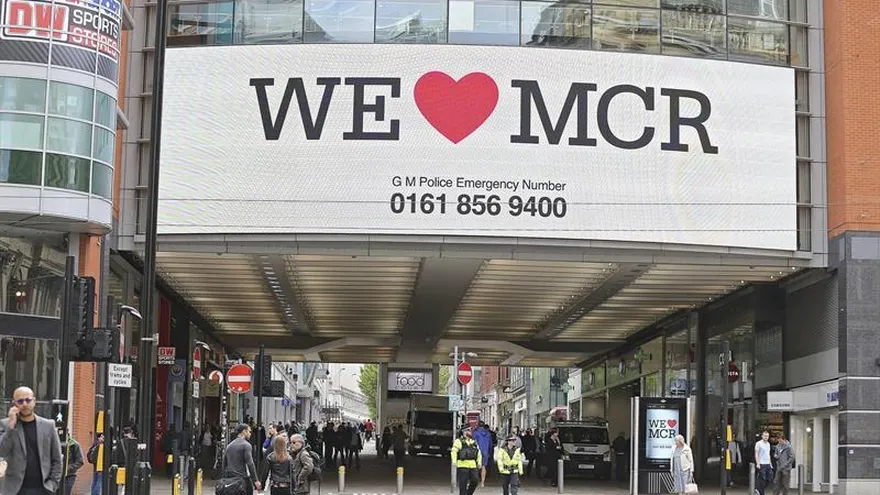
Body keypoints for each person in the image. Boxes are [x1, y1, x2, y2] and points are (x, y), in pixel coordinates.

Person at [0, 386, 63, 495]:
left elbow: (57, 459)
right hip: (15, 490)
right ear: (14, 403)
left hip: (42, 489)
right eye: (20, 401)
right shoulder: (6, 424)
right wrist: (11, 427)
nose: (24, 404)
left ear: (34, 401)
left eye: (28, 400)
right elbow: (2, 451)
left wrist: (52, 485)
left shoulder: (48, 425)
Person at [223, 424, 261, 495]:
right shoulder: (246, 445)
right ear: (244, 432)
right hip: (243, 479)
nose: (250, 434)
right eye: (249, 432)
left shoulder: (229, 446)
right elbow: (250, 464)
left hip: (231, 479)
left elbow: (225, 463)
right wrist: (255, 480)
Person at [452, 426, 482, 495]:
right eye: (468, 430)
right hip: (462, 465)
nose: (470, 432)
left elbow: (479, 452)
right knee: (463, 484)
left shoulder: (474, 442)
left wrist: (479, 462)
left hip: (473, 465)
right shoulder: (458, 441)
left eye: (470, 430)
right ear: (464, 432)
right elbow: (454, 451)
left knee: (475, 481)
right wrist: (454, 461)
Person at [473, 421, 492, 487]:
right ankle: (482, 483)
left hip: (477, 452)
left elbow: (473, 442)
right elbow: (490, 445)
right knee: (484, 467)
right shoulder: (488, 434)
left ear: (478, 425)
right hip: (485, 452)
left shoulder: (475, 433)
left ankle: (475, 482)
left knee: (475, 467)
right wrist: (489, 452)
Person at [755, 431, 774, 495]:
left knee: (770, 478)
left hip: (768, 463)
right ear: (762, 436)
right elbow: (756, 454)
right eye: (765, 436)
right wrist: (758, 463)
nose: (766, 437)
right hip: (762, 463)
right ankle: (761, 492)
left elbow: (768, 455)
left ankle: (759, 489)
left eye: (767, 436)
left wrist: (770, 464)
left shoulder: (768, 444)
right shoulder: (758, 443)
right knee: (762, 478)